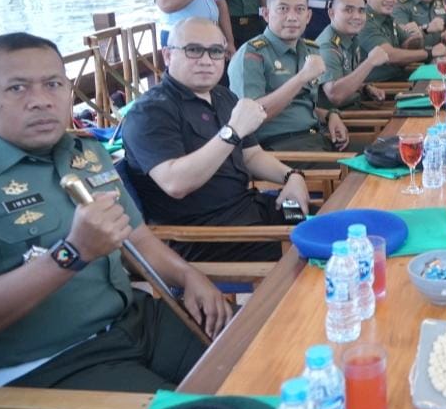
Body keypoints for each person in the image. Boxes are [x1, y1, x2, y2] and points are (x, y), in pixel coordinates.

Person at [0, 32, 231, 390]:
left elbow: (137, 237)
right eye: (17, 89)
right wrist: (72, 254)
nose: (41, 101)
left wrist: (187, 276)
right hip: (49, 363)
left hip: (137, 321)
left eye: (53, 84)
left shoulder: (85, 151)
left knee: (266, 357)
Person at [122, 18, 310, 262]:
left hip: (251, 211)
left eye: (215, 51)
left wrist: (291, 176)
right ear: (167, 56)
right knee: (321, 253)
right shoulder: (150, 112)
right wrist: (231, 131)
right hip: (206, 238)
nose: (206, 60)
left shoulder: (223, 96)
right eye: (193, 50)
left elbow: (252, 155)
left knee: (336, 223)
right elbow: (175, 183)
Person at [228, 0, 349, 154]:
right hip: (277, 149)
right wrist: (301, 78)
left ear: (308, 16)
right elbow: (251, 117)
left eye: (299, 10)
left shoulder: (310, 49)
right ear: (266, 14)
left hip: (315, 139)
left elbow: (303, 106)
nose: (292, 17)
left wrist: (331, 115)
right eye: (283, 9)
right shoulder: (252, 54)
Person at [360, 0, 446, 82]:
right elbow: (389, 55)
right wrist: (429, 52)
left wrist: (419, 33)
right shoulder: (364, 21)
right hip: (382, 87)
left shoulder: (387, 18)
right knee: (442, 82)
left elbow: (408, 45)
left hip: (400, 76)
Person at [317, 0, 389, 110]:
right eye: (348, 10)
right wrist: (370, 62)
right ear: (331, 13)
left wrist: (365, 88)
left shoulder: (352, 38)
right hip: (338, 121)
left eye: (361, 11)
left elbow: (345, 78)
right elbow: (335, 95)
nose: (356, 16)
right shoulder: (327, 46)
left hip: (356, 109)